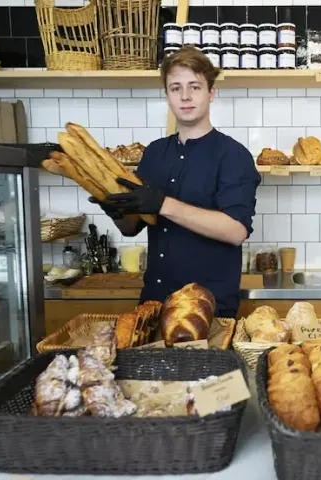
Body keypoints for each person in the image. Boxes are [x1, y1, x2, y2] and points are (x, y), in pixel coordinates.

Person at [90, 46, 261, 318]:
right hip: (154, 303)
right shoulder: (155, 153)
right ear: (167, 96)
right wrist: (117, 210)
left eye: (194, 86)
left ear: (211, 93)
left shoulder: (233, 155)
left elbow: (236, 230)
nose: (185, 96)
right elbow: (132, 228)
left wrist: (163, 204)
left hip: (207, 309)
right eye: (175, 88)